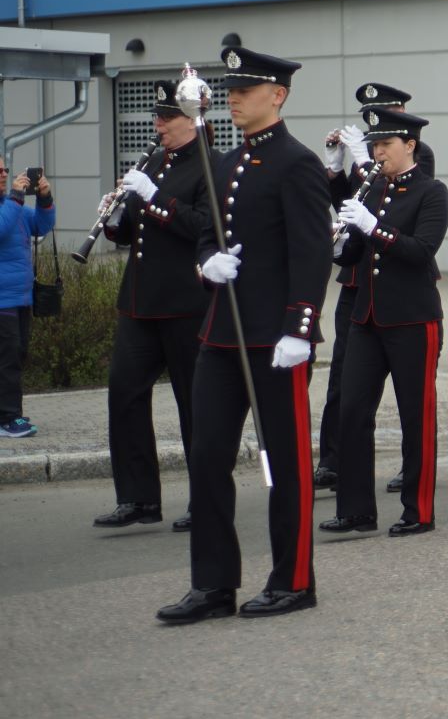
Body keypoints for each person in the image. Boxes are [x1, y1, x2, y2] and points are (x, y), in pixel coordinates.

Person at [157, 45, 332, 624]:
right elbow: (210, 233)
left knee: (284, 462)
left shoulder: (297, 163)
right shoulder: (226, 164)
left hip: (274, 340)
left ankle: (293, 579)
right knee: (207, 458)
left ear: (277, 95)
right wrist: (207, 263)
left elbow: (312, 254)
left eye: (245, 90)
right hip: (223, 334)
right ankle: (212, 585)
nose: (233, 98)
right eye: (229, 90)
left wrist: (300, 329)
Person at [321, 108, 448, 539]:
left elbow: (420, 250)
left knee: (417, 416)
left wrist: (374, 228)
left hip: (413, 318)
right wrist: (339, 240)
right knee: (353, 410)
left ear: (409, 145)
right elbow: (355, 254)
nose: (378, 153)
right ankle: (356, 509)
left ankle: (419, 509)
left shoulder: (432, 192)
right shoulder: (371, 187)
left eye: (386, 145)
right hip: (368, 317)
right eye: (375, 145)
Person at [94, 79, 217, 530]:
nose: (158, 124)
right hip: (141, 300)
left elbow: (204, 226)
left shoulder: (211, 166)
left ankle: (205, 500)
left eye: (167, 117)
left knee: (195, 405)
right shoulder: (156, 161)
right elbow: (134, 234)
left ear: (192, 119)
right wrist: (115, 219)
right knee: (124, 393)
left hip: (187, 302)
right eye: (157, 116)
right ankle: (138, 498)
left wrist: (153, 198)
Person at [0, 160, 55, 440]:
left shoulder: (14, 206)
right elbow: (1, 227)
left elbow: (41, 226)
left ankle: (7, 413)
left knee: (17, 356)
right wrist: (16, 197)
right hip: (2, 301)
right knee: (7, 360)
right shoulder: (12, 205)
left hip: (21, 298)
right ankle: (9, 418)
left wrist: (45, 198)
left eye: (5, 169)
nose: (5, 174)